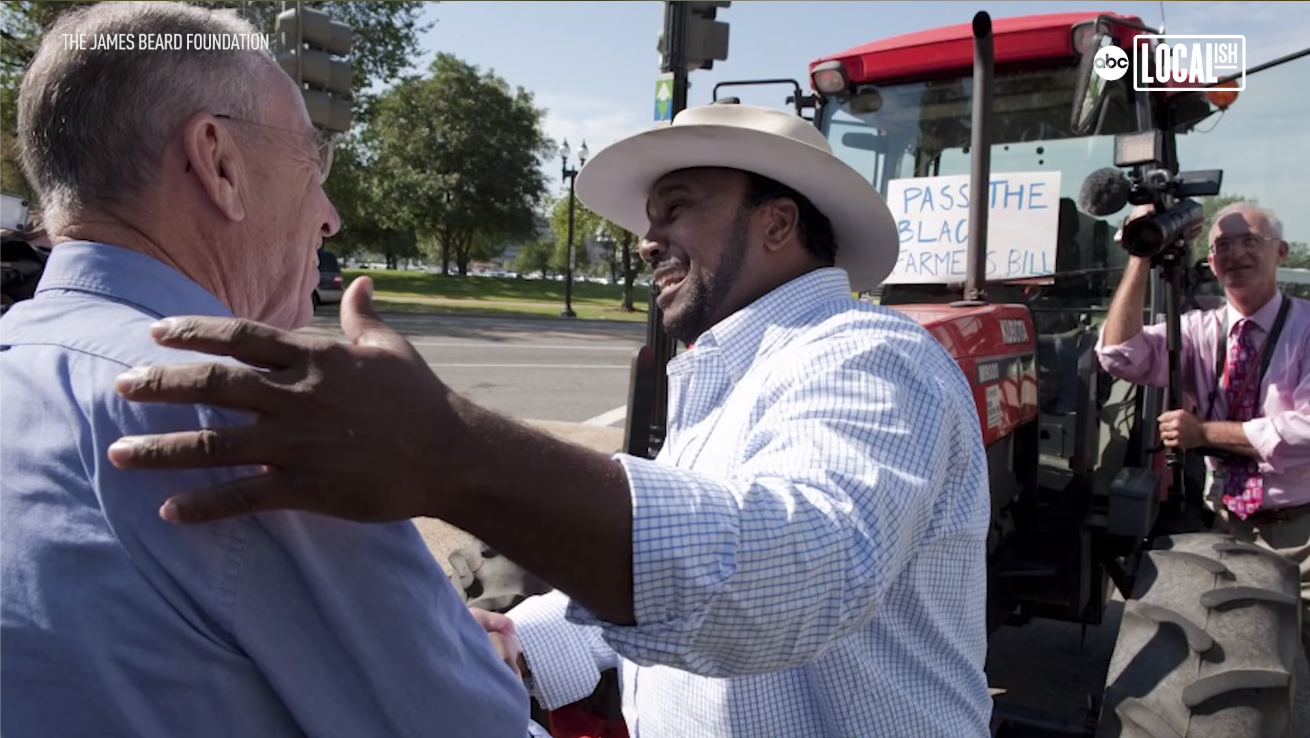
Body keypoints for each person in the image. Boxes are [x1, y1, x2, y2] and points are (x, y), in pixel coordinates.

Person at [106, 103, 996, 737]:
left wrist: (447, 452)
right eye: (650, 216)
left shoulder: (870, 357)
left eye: (679, 204)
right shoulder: (725, 375)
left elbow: (785, 583)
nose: (647, 239)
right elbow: (657, 588)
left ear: (778, 223)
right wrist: (518, 641)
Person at [0, 4, 531, 737]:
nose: (331, 215)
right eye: (314, 163)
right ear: (217, 161)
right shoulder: (248, 412)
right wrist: (491, 663)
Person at [1096, 201, 1310, 645]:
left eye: (1250, 241)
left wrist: (1206, 433)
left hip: (1302, 536)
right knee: (1237, 659)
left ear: (1281, 252)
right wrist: (1140, 255)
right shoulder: (1197, 328)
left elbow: (1305, 433)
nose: (1235, 254)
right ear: (1209, 261)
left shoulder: (1306, 329)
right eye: (1222, 246)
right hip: (1225, 524)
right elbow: (1118, 355)